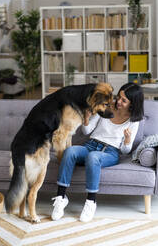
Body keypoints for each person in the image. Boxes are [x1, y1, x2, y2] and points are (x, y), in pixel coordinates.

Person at [51, 83, 144, 222]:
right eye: (119, 97)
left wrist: (127, 140)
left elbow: (125, 151)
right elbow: (87, 131)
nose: (118, 101)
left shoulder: (134, 120)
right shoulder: (105, 107)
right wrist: (87, 119)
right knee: (70, 151)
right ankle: (61, 198)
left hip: (111, 152)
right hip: (91, 144)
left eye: (124, 100)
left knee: (93, 157)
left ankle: (91, 202)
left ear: (133, 103)